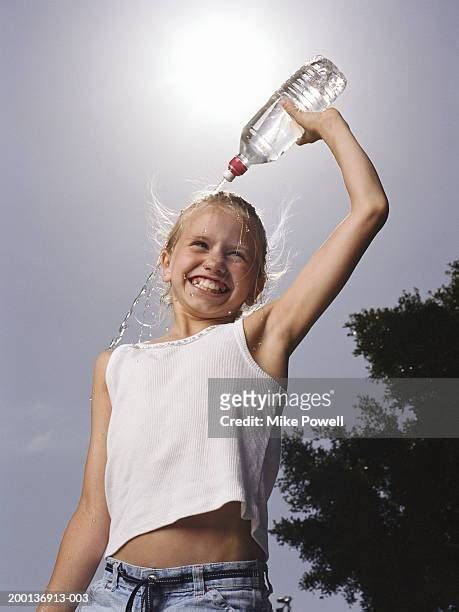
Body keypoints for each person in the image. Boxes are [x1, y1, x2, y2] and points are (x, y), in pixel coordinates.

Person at [38, 103, 389, 612]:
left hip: (217, 593)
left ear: (256, 285)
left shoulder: (261, 339)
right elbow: (94, 513)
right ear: (166, 261)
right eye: (199, 245)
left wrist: (330, 125)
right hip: (112, 594)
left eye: (236, 254)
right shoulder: (115, 365)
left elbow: (369, 209)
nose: (214, 262)